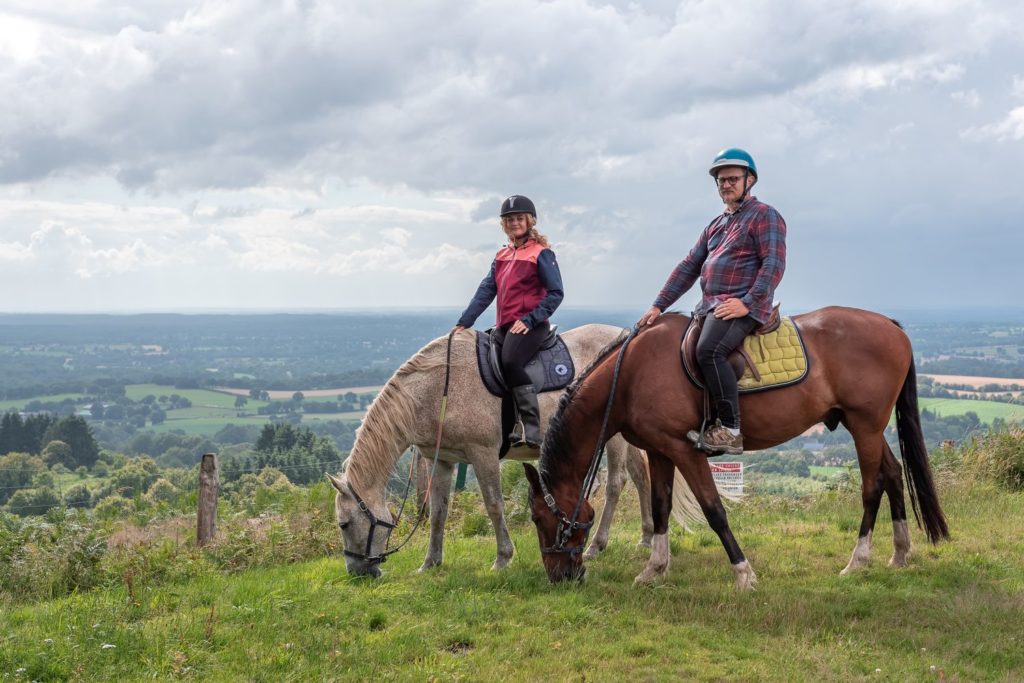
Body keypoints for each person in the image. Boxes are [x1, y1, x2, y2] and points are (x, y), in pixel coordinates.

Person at [637, 148, 786, 455]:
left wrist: (747, 302)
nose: (726, 185)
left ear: (750, 180)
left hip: (744, 306)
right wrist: (658, 305)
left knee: (709, 350)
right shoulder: (716, 225)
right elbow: (689, 266)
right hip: (712, 305)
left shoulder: (765, 215)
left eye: (732, 179)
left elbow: (773, 264)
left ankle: (730, 430)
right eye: (720, 181)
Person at [454, 195, 564, 449]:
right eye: (509, 219)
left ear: (530, 221)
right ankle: (505, 428)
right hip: (505, 326)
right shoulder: (502, 254)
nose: (514, 222)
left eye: (519, 218)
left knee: (511, 361)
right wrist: (465, 322)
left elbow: (556, 293)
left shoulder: (542, 253)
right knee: (489, 365)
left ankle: (531, 428)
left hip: (531, 325)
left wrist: (530, 319)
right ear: (504, 224)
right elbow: (486, 290)